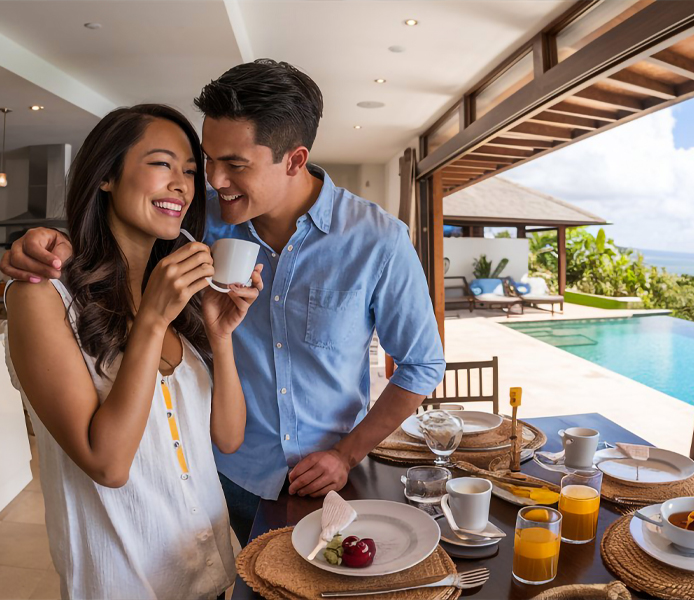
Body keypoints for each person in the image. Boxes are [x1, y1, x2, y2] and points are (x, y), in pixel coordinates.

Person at [2, 59, 446, 546]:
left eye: (234, 164)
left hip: (332, 477)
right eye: (207, 160)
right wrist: (52, 244)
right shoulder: (196, 218)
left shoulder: (378, 240)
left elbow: (421, 364)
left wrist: (346, 453)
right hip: (225, 474)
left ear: (294, 160)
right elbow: (120, 233)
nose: (212, 179)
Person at [3, 104, 263, 599]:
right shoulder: (44, 297)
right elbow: (108, 464)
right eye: (163, 164)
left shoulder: (175, 304)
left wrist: (221, 335)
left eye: (190, 171)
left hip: (208, 576)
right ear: (106, 175)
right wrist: (152, 321)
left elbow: (227, 439)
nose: (183, 185)